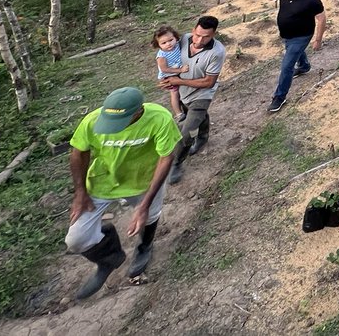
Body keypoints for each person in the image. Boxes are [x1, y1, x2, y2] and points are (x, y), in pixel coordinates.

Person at [65, 86, 180, 299]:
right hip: (103, 182)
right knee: (76, 239)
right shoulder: (92, 121)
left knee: (149, 218)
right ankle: (109, 259)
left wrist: (144, 205)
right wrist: (80, 192)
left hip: (143, 181)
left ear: (138, 113)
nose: (111, 128)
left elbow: (166, 158)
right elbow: (77, 153)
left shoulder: (160, 119)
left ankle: (145, 247)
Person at [158, 16, 226, 185]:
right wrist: (167, 79)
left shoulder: (217, 52)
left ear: (214, 34)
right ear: (193, 29)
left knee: (187, 131)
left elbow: (208, 82)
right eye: (197, 34)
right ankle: (203, 136)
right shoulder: (183, 39)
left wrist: (178, 81)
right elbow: (165, 56)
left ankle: (176, 163)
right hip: (183, 92)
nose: (199, 40)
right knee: (196, 117)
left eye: (206, 37)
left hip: (202, 95)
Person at [266, 0, 325, 113]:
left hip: (302, 36)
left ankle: (279, 97)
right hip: (287, 34)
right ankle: (304, 66)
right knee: (295, 52)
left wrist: (318, 40)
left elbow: (322, 20)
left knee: (287, 65)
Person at [152, 26, 189, 120]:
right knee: (175, 92)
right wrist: (180, 70)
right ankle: (178, 113)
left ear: (176, 38)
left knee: (184, 89)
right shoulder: (162, 55)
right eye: (163, 43)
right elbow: (164, 69)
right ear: (158, 45)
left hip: (177, 71)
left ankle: (186, 106)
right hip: (167, 76)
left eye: (170, 40)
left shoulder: (177, 45)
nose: (168, 44)